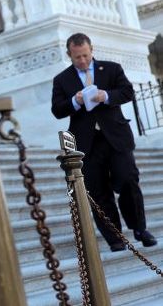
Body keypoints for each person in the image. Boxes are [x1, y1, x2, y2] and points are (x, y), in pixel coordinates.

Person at [51, 33, 156, 252]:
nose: (82, 60)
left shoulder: (111, 69)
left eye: (85, 55)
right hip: (86, 144)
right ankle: (114, 238)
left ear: (92, 50)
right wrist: (75, 101)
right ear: (69, 54)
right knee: (98, 191)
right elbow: (57, 110)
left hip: (116, 138)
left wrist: (106, 96)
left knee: (128, 179)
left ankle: (139, 229)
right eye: (77, 57)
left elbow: (127, 92)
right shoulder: (62, 79)